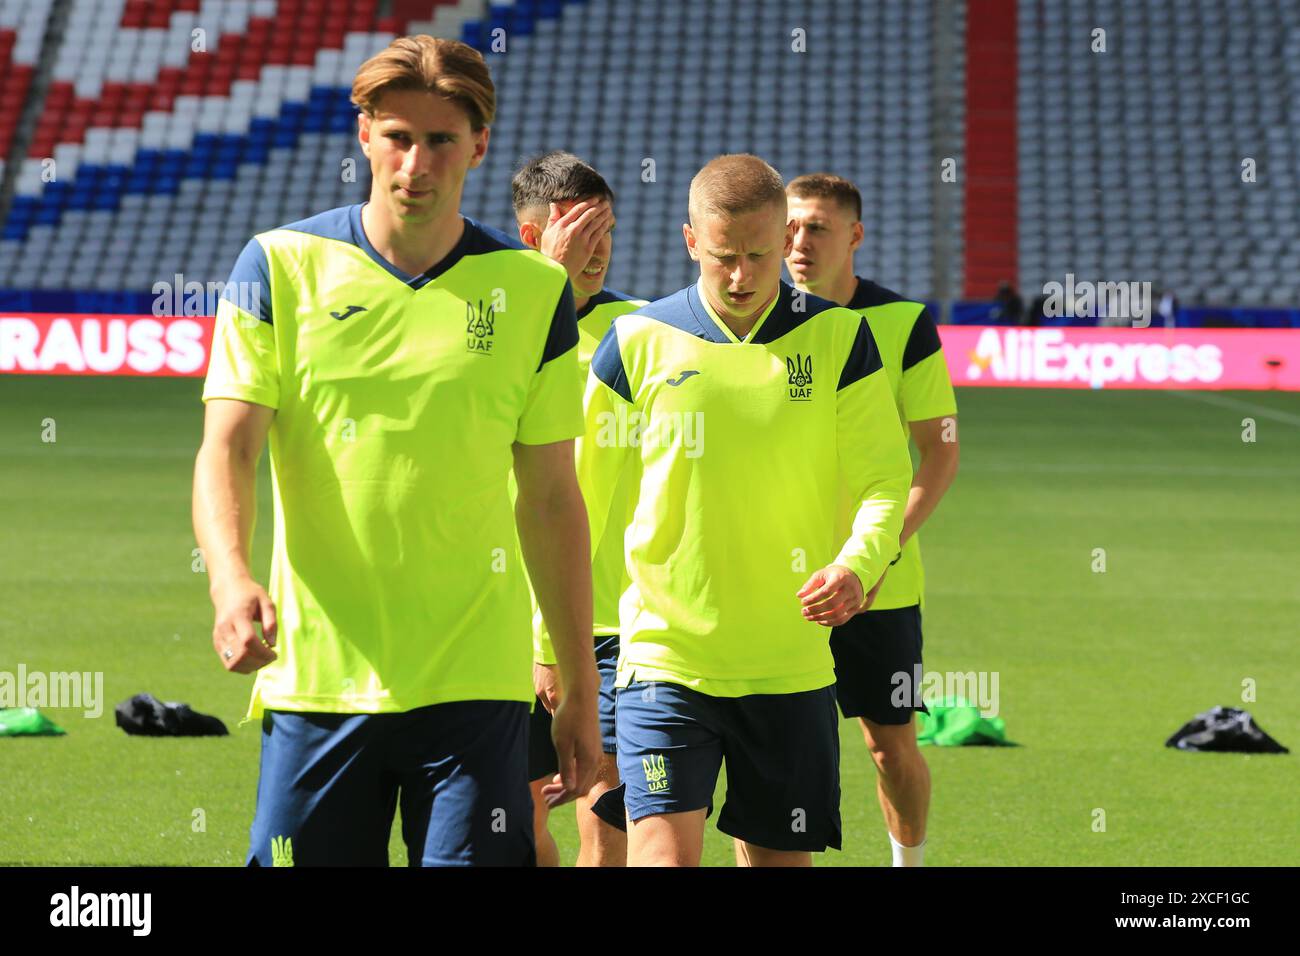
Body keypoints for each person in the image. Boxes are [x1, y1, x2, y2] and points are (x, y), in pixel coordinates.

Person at [193, 35, 601, 867]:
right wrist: (231, 576)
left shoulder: (534, 292)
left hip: (476, 687)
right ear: (364, 136)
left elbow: (553, 498)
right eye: (397, 137)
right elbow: (227, 449)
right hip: (318, 682)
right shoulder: (279, 266)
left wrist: (579, 689)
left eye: (441, 140)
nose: (416, 163)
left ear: (480, 145)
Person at [579, 154, 913, 866]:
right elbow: (573, 503)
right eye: (723, 256)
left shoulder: (838, 339)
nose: (741, 275)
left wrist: (858, 563)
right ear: (691, 240)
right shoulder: (635, 342)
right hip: (664, 663)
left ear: (783, 235)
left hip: (789, 668)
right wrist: (550, 647)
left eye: (760, 254)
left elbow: (886, 481)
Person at [786, 172, 960, 867]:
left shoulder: (902, 322)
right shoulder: (759, 322)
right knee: (777, 745)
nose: (799, 242)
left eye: (818, 228)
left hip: (883, 582)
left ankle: (907, 864)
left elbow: (939, 453)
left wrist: (877, 556)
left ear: (854, 235)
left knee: (889, 746)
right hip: (784, 576)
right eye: (791, 226)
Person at [510, 150, 648, 867]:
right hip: (502, 617)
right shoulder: (497, 333)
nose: (599, 252)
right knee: (520, 826)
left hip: (616, 622)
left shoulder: (647, 332)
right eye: (582, 233)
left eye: (610, 232)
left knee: (608, 817)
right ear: (534, 239)